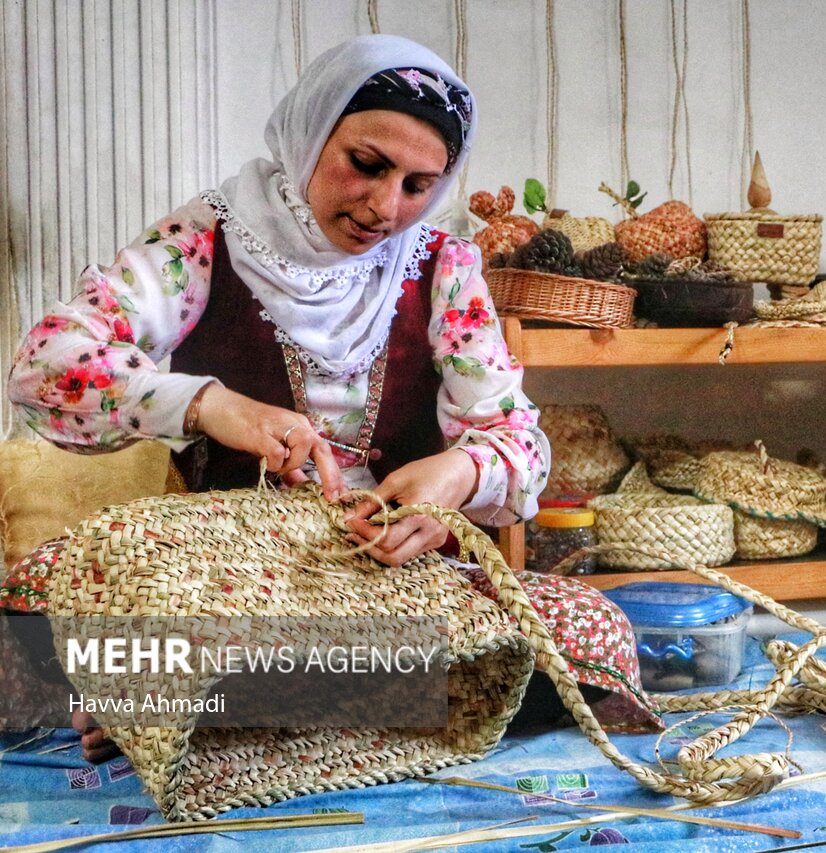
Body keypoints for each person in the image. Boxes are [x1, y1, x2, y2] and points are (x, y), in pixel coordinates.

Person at [4, 34, 660, 763]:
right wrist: (211, 405)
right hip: (221, 580)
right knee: (17, 639)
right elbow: (43, 366)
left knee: (594, 629)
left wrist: (455, 478)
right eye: (366, 165)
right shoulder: (203, 241)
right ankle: (305, 703)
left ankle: (200, 705)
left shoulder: (442, 265)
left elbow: (519, 441)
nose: (385, 206)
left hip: (393, 587)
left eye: (418, 185)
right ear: (312, 130)